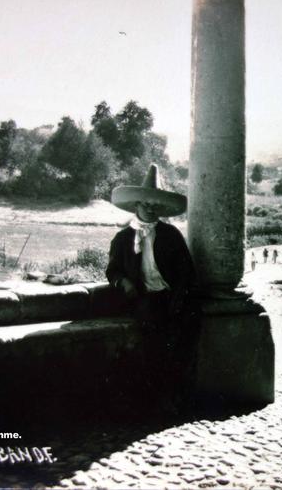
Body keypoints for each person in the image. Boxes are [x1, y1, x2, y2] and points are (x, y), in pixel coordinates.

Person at [106, 164, 200, 413]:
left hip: (174, 297)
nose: (149, 208)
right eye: (145, 204)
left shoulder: (171, 235)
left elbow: (186, 273)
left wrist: (180, 297)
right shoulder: (123, 238)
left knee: (183, 337)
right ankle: (158, 398)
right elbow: (112, 271)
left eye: (154, 205)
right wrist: (123, 282)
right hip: (145, 299)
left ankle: (176, 396)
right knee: (154, 341)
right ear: (135, 205)